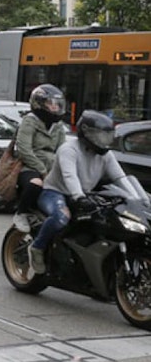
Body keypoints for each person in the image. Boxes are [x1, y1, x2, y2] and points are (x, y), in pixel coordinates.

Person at [28, 110, 139, 274]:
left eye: (108, 136)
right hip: (55, 192)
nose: (105, 140)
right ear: (87, 133)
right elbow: (70, 176)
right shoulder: (69, 149)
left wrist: (136, 198)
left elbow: (120, 177)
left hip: (84, 194)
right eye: (101, 136)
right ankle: (37, 247)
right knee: (61, 218)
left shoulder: (106, 155)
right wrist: (79, 197)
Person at [11, 84, 67, 233]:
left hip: (52, 168)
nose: (54, 107)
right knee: (36, 183)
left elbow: (63, 150)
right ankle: (21, 213)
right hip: (31, 167)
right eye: (50, 103)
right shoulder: (30, 121)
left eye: (57, 104)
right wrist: (42, 170)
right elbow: (24, 150)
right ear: (39, 103)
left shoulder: (58, 125)